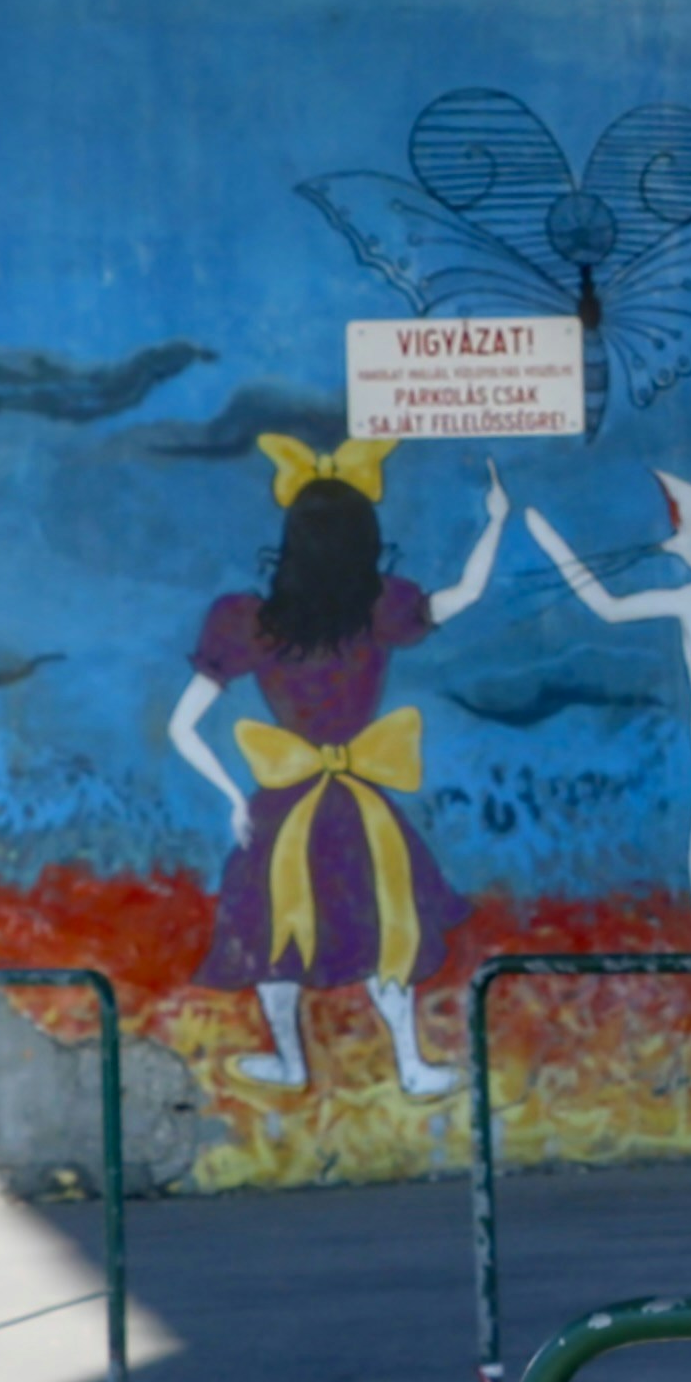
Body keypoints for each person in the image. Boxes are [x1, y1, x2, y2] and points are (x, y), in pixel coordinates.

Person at [166, 434, 513, 1096]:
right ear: (365, 539)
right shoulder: (382, 609)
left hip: (281, 806)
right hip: (358, 802)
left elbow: (182, 727)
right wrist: (495, 520)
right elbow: (463, 594)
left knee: (276, 933)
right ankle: (410, 1065)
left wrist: (233, 799)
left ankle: (293, 1063)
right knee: (385, 923)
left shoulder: (249, 622)